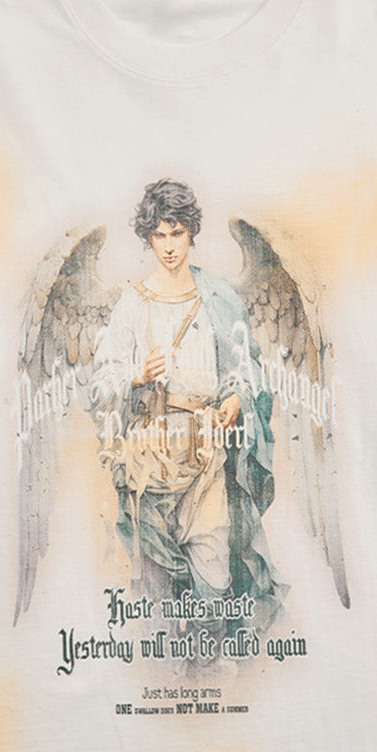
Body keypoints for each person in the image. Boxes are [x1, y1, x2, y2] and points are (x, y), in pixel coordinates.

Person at [90, 177, 288, 636]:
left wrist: (235, 399)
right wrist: (137, 373)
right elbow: (99, 386)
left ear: (191, 232)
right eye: (159, 235)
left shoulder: (218, 297)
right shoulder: (132, 304)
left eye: (176, 233)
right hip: (150, 463)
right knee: (156, 583)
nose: (168, 246)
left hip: (207, 456)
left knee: (214, 575)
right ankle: (167, 666)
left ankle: (211, 662)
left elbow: (247, 369)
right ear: (148, 237)